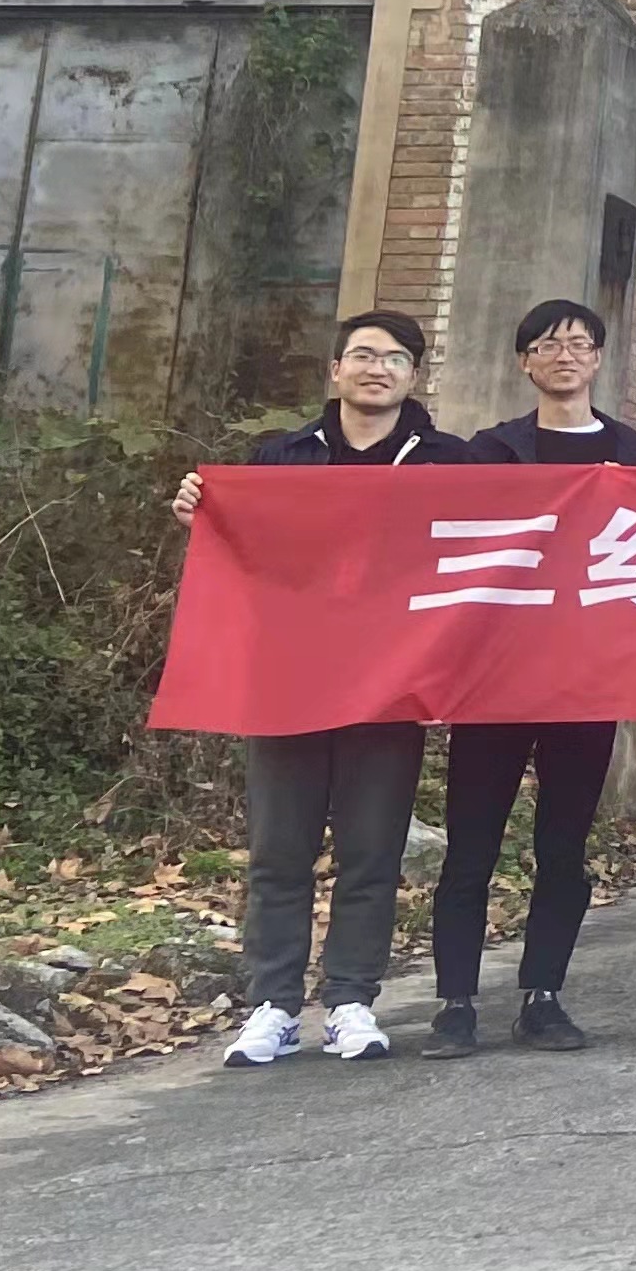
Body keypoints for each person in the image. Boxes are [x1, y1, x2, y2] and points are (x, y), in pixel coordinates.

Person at [174, 310, 462, 1068]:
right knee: (279, 849)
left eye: (394, 358)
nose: (377, 368)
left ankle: (351, 1000)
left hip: (389, 687)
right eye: (362, 355)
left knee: (371, 851)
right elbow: (242, 553)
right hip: (289, 683)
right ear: (335, 370)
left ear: (413, 376)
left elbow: (527, 524)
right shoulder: (282, 456)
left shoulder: (450, 463)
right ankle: (272, 1004)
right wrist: (201, 513)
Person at [427, 298, 636, 1060]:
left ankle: (543, 995)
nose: (563, 354)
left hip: (585, 679)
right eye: (546, 344)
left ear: (598, 358)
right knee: (470, 845)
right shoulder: (490, 452)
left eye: (578, 342)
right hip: (496, 678)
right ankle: (454, 1003)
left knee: (564, 847)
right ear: (525, 363)